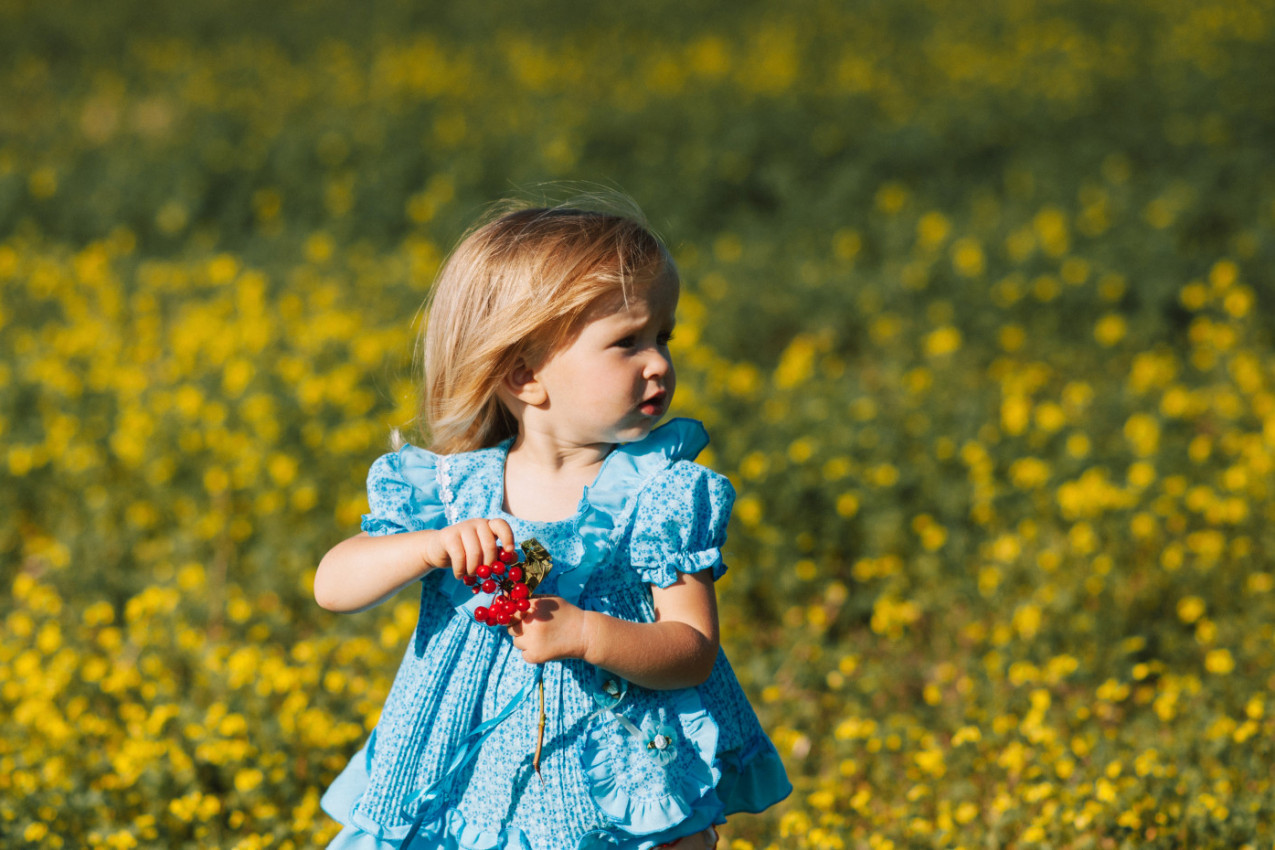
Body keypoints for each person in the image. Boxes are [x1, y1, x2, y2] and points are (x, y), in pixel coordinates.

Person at [314, 200, 791, 849]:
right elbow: (333, 587)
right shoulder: (454, 493)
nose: (656, 363)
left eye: (662, 337)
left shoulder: (662, 496)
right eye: (627, 342)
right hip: (475, 777)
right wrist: (427, 547)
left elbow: (691, 649)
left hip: (619, 781)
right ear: (523, 374)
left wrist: (588, 634)